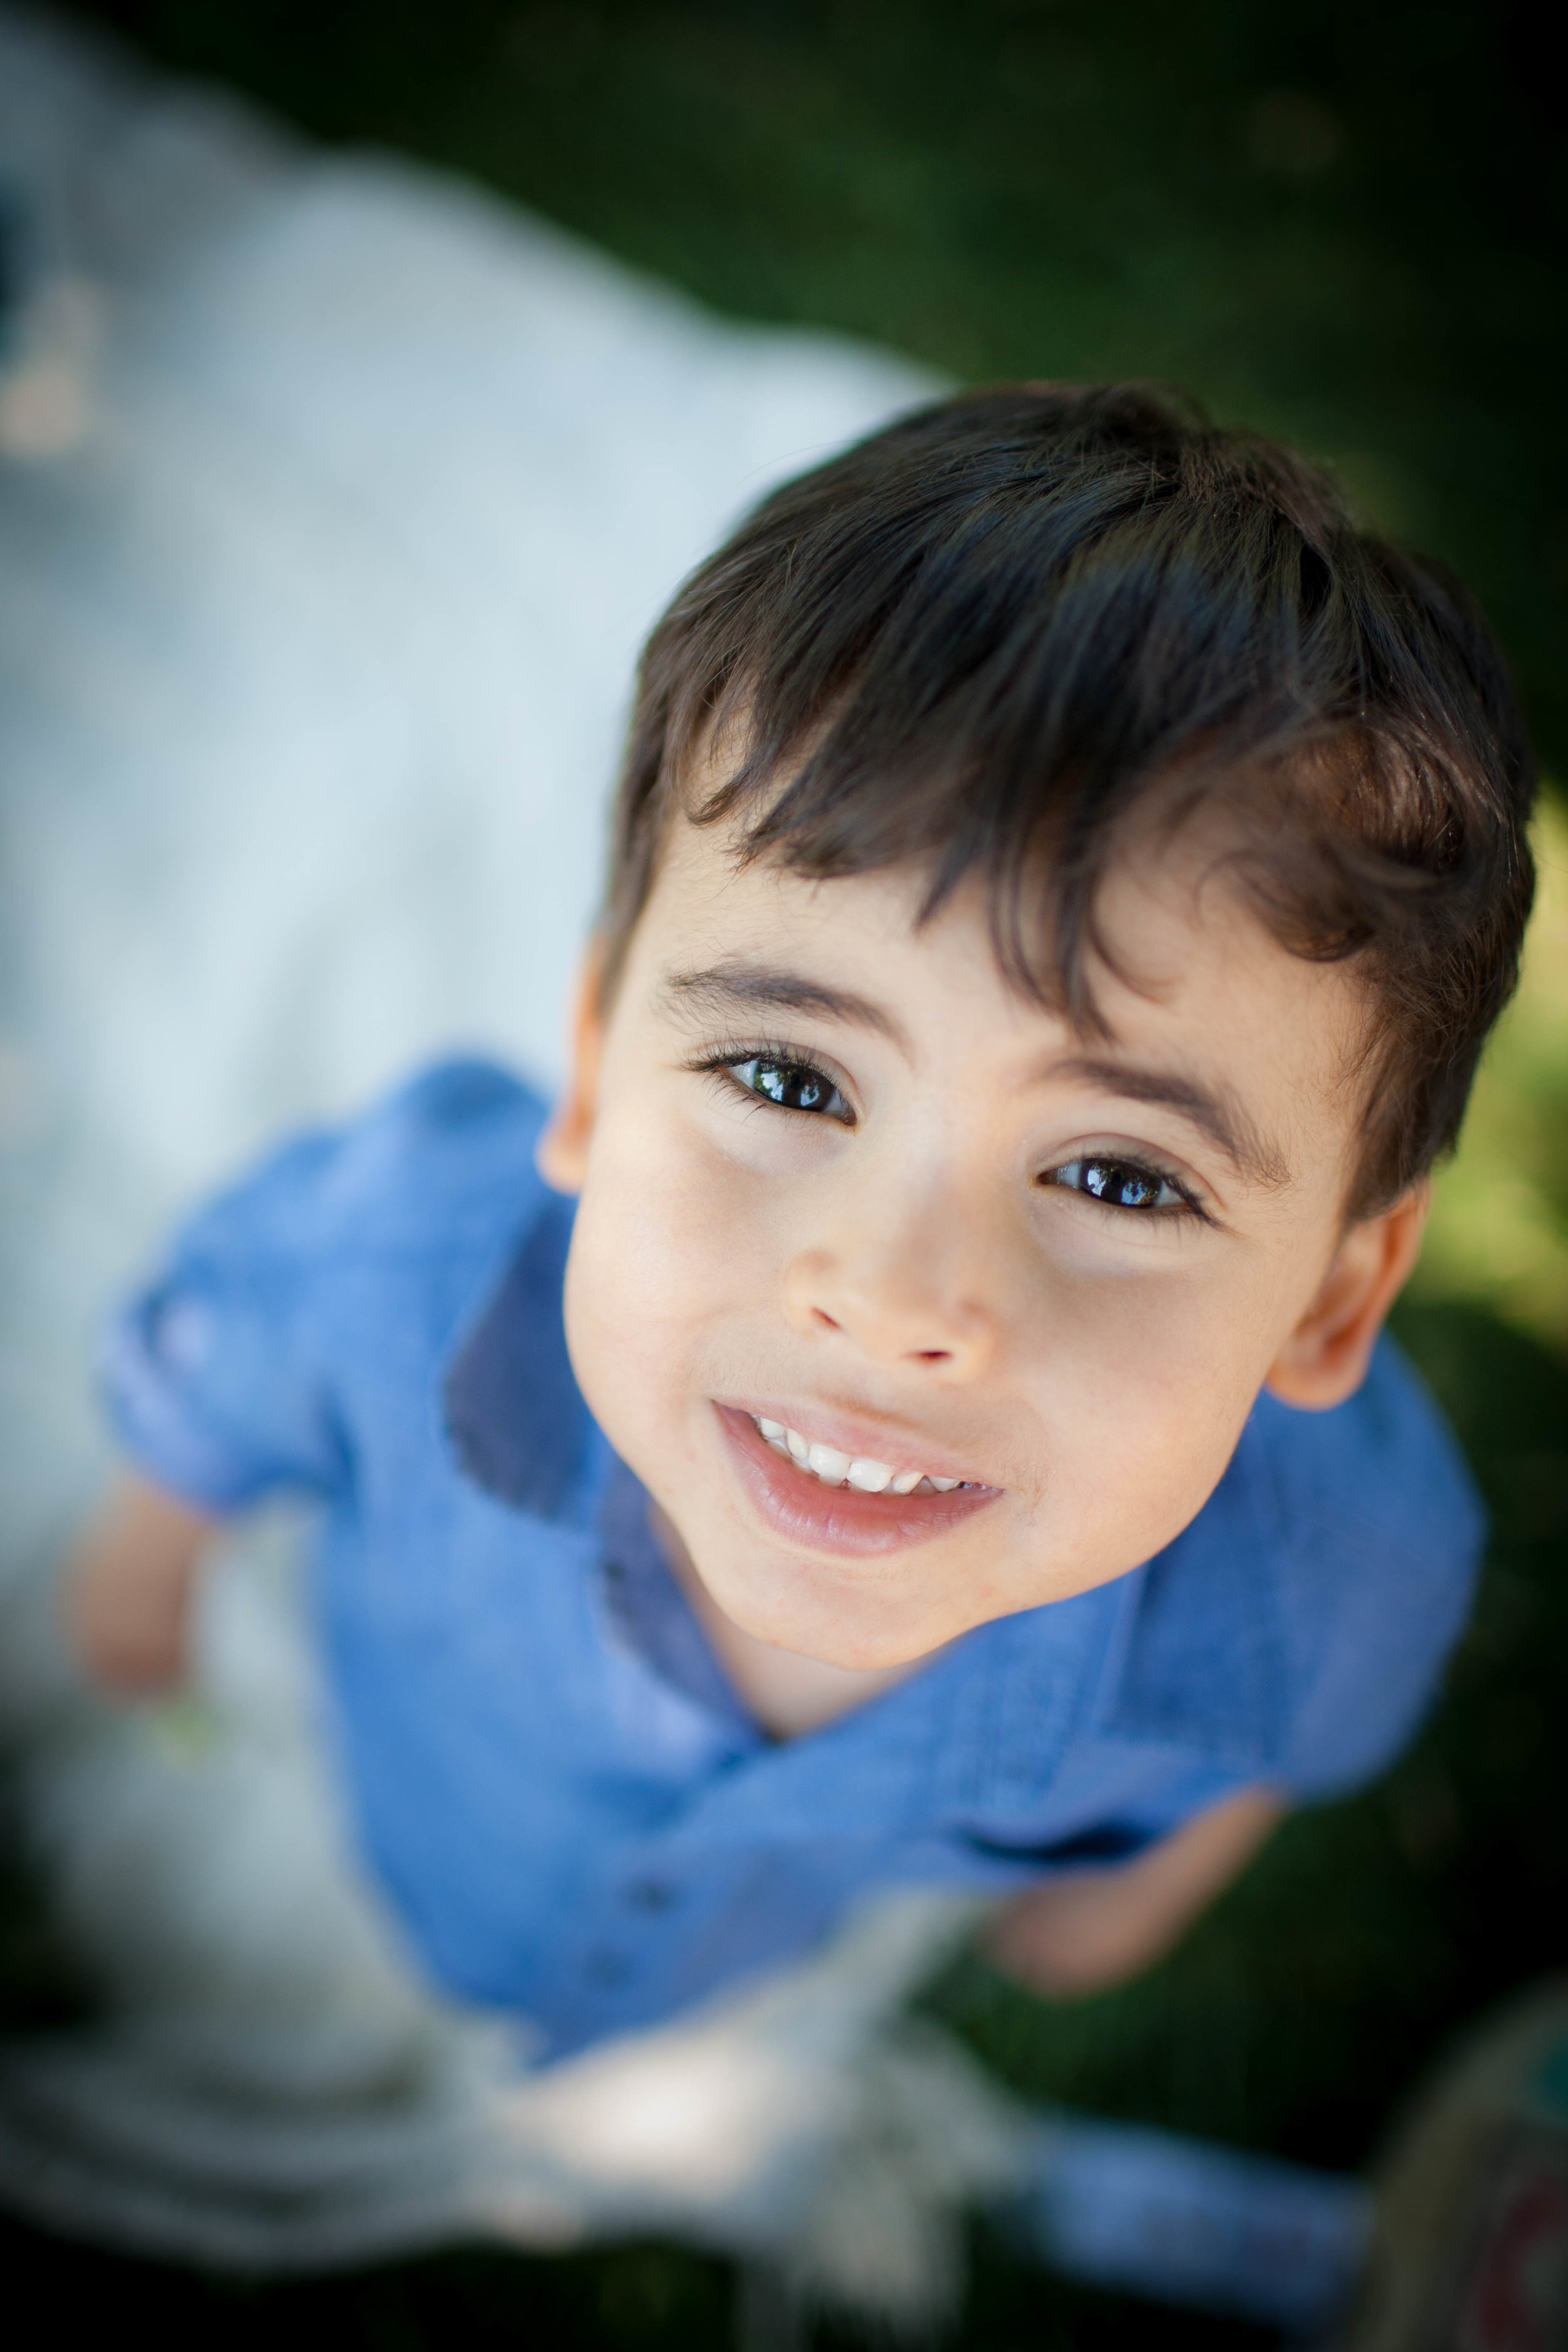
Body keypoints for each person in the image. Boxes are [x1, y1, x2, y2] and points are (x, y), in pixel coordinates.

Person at [61, 381, 1529, 2161]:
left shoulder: (1324, 1586)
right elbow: (219, 1362)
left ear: (1329, 1302)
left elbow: (1299, 1727)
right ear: (598, 1076)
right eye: (786, 1079)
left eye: (1116, 1176)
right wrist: (148, 1561)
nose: (896, 1297)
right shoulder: (392, 1272)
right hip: (419, 1811)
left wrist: (1143, 1886)